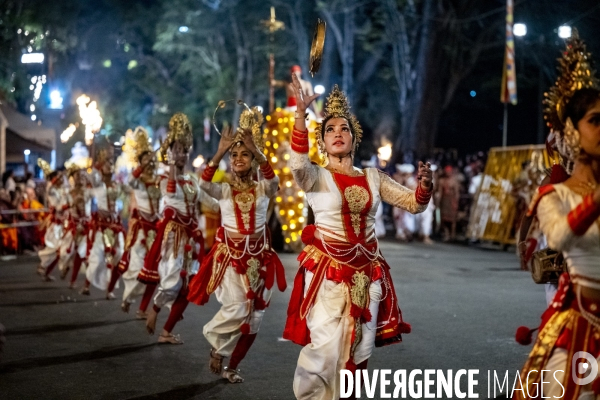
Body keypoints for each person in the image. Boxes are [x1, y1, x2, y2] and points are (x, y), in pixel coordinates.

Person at [283, 78, 433, 400]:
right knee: (323, 352)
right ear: (322, 142)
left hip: (368, 276)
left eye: (344, 129)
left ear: (354, 137)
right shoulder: (315, 176)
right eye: (330, 130)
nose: (337, 133)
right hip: (327, 273)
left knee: (358, 352)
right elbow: (296, 164)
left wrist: (425, 186)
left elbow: (414, 204)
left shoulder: (373, 177)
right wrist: (300, 116)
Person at [514, 34, 600, 399]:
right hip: (578, 317)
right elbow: (562, 237)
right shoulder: (554, 190)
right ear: (570, 131)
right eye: (595, 120)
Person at [187, 106, 286, 383]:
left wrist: (258, 151)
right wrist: (219, 152)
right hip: (230, 257)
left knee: (254, 322)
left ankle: (232, 366)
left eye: (245, 154)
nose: (239, 158)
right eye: (235, 155)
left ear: (253, 160)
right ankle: (217, 346)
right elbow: (203, 184)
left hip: (260, 259)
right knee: (239, 308)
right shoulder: (225, 189)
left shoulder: (264, 188)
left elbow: (273, 179)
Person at [138, 113, 219, 344]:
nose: (181, 154)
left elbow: (209, 201)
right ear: (168, 152)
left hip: (192, 240)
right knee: (172, 279)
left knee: (189, 286)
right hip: (174, 235)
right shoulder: (164, 176)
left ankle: (166, 332)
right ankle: (154, 307)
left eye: (184, 150)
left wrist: (231, 200)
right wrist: (171, 164)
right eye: (176, 149)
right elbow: (170, 192)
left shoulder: (193, 180)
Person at [112, 127, 161, 318]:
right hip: (141, 229)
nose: (150, 164)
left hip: (156, 229)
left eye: (151, 160)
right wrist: (142, 166)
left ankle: (142, 308)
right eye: (145, 161)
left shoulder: (159, 180)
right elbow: (128, 183)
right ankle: (127, 298)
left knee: (155, 272)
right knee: (136, 268)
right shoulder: (137, 181)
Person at [80, 146, 125, 297]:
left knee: (119, 256)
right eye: (107, 163)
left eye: (112, 163)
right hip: (101, 226)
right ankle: (86, 286)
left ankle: (110, 289)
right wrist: (99, 154)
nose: (110, 166)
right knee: (97, 257)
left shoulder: (117, 185)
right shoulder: (98, 185)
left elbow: (122, 201)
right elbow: (92, 175)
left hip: (116, 226)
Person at [59, 165, 92, 288]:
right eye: (78, 176)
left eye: (83, 176)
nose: (81, 179)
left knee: (83, 254)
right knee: (66, 253)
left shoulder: (89, 192)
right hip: (73, 227)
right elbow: (62, 208)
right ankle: (66, 266)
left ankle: (83, 284)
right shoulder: (69, 194)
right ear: (73, 178)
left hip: (87, 228)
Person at [36, 162, 69, 281]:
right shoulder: (51, 190)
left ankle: (47, 270)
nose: (61, 179)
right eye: (59, 177)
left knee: (59, 249)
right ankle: (43, 265)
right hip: (55, 224)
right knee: (55, 247)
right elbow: (58, 207)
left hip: (63, 223)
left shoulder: (61, 190)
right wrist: (68, 205)